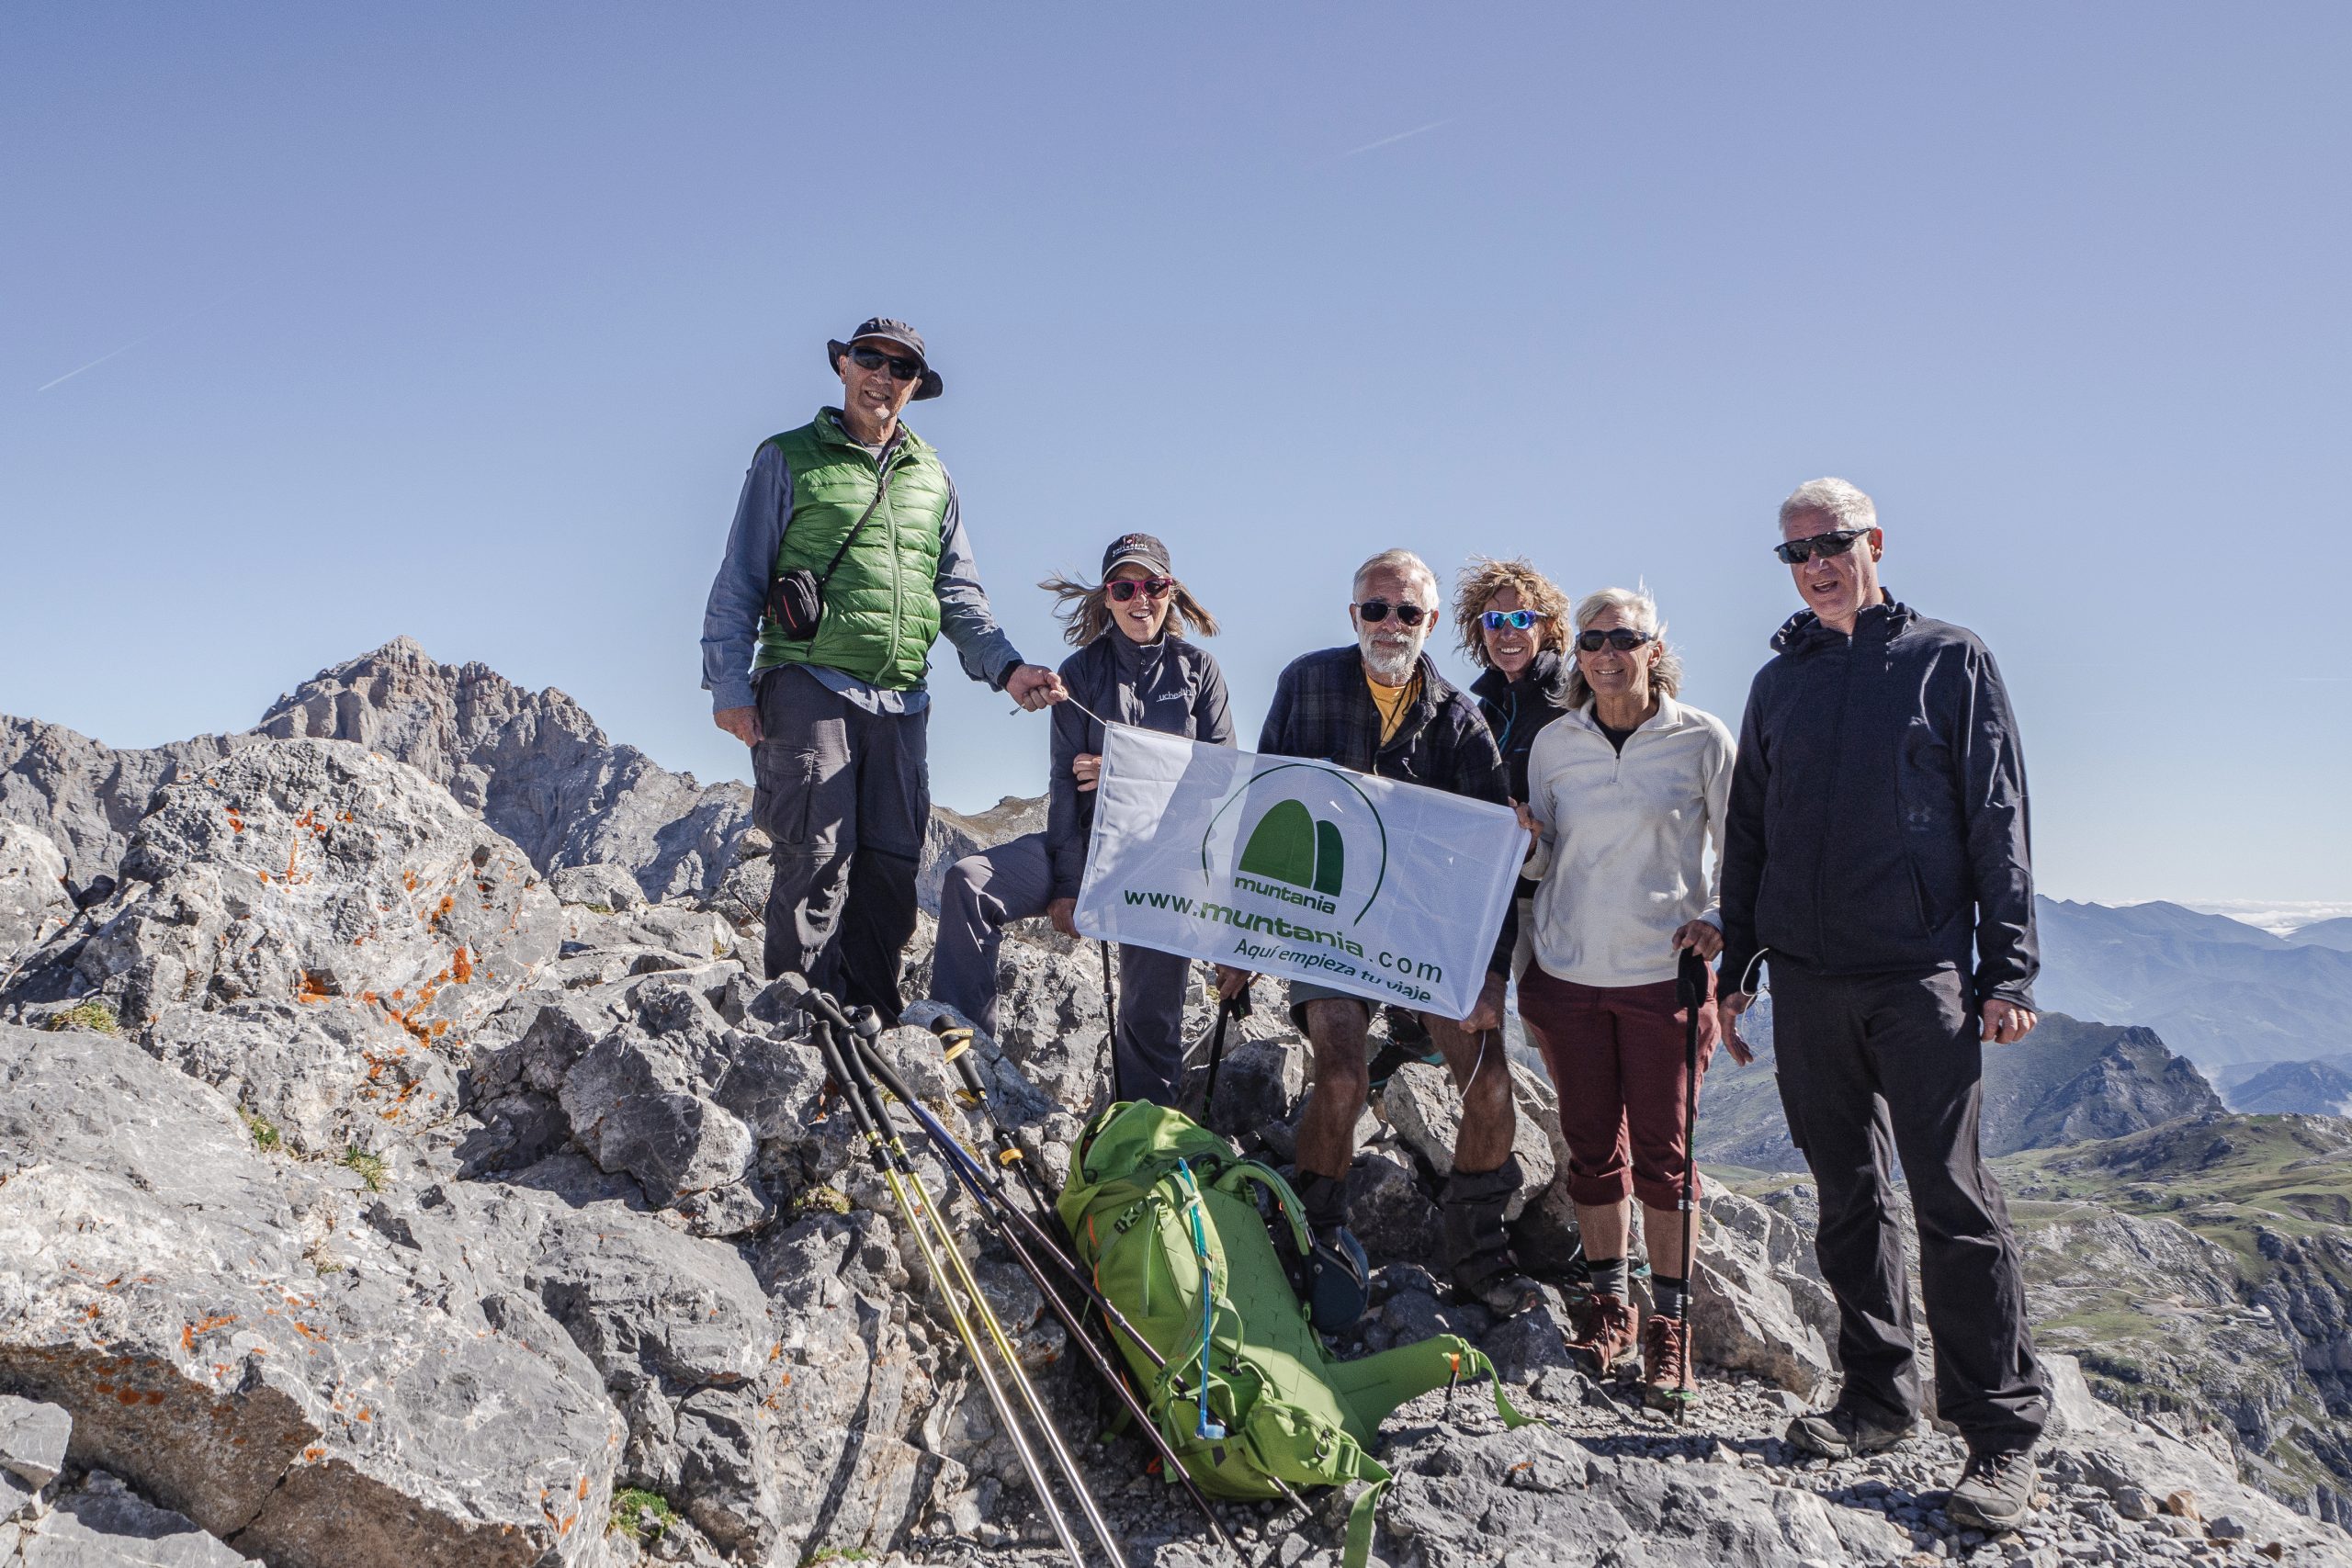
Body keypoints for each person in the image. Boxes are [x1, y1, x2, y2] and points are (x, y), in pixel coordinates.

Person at [1716, 477, 2048, 1533]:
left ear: (1874, 542)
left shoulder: (1950, 659)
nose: (1815, 562)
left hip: (1918, 976)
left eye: (1832, 542)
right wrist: (1735, 970)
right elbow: (1750, 832)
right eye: (1796, 551)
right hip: (1807, 981)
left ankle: (1999, 1438)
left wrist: (2009, 971)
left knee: (1951, 1201)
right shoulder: (1779, 682)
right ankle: (1875, 1399)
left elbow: (1997, 816)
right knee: (1844, 1196)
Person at [701, 318, 1065, 1025]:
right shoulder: (788, 457)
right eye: (871, 359)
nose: (884, 377)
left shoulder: (932, 475)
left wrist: (1009, 669)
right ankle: (801, 1027)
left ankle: (869, 1027)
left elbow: (959, 595)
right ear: (842, 366)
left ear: (914, 389)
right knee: (814, 857)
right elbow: (740, 575)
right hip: (810, 682)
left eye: (901, 370)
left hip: (902, 700)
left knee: (893, 867)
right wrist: (729, 684)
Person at [1226, 547, 1537, 1319]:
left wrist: (1489, 977)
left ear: (1431, 623)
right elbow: (1264, 804)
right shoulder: (1306, 682)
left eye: (1407, 612)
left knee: (1489, 1079)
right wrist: (1240, 943)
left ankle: (1477, 1250)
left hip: (1425, 931)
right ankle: (1312, 1235)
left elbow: (1489, 864)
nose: (1390, 623)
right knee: (1339, 1077)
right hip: (1329, 924)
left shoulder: (1462, 724)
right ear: (1354, 614)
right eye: (1376, 608)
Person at [1511, 586, 1738, 1404]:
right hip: (1569, 974)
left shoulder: (1701, 738)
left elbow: (1742, 846)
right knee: (1591, 1152)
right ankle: (1615, 1310)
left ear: (1655, 645)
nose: (1607, 653)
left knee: (1666, 1160)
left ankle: (1671, 1327)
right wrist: (1526, 848)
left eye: (1625, 637)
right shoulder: (1553, 744)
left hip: (1663, 978)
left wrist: (1721, 922)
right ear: (1576, 652)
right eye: (1592, 638)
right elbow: (1539, 863)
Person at [931, 533, 1234, 1103]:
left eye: (1153, 585)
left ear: (1173, 591)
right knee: (967, 881)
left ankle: (1147, 1139)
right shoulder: (1081, 670)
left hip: (1159, 862)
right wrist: (1069, 887)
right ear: (1108, 598)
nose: (1139, 599)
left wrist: (1126, 770)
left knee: (1150, 1014)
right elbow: (1065, 789)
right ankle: (962, 1070)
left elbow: (1219, 781)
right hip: (1082, 846)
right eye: (1125, 588)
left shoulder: (1201, 672)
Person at [1453, 557, 1576, 987]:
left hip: (1563, 897)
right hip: (1499, 895)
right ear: (1478, 630)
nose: (1507, 632)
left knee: (1553, 1026)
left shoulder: (1574, 697)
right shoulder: (1480, 711)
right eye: (1494, 620)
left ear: (1547, 627)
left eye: (1522, 617)